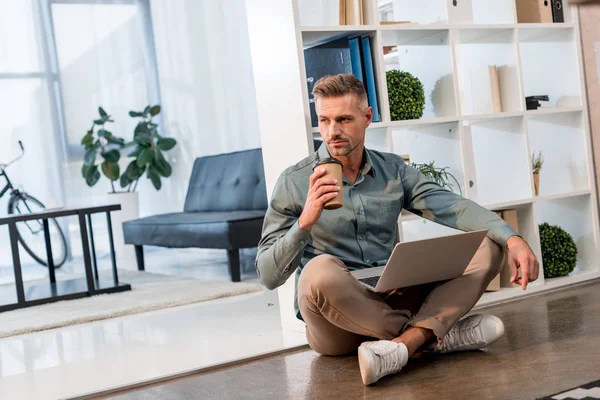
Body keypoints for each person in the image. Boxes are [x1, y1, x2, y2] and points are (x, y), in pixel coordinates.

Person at [255, 74, 540, 386]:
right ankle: (435, 334)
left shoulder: (393, 171)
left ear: (367, 118)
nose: (331, 132)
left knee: (489, 246)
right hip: (336, 325)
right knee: (317, 271)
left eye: (344, 119)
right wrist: (304, 222)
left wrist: (512, 237)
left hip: (391, 296)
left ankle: (405, 345)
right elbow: (268, 275)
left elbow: (453, 207)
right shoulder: (293, 181)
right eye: (324, 120)